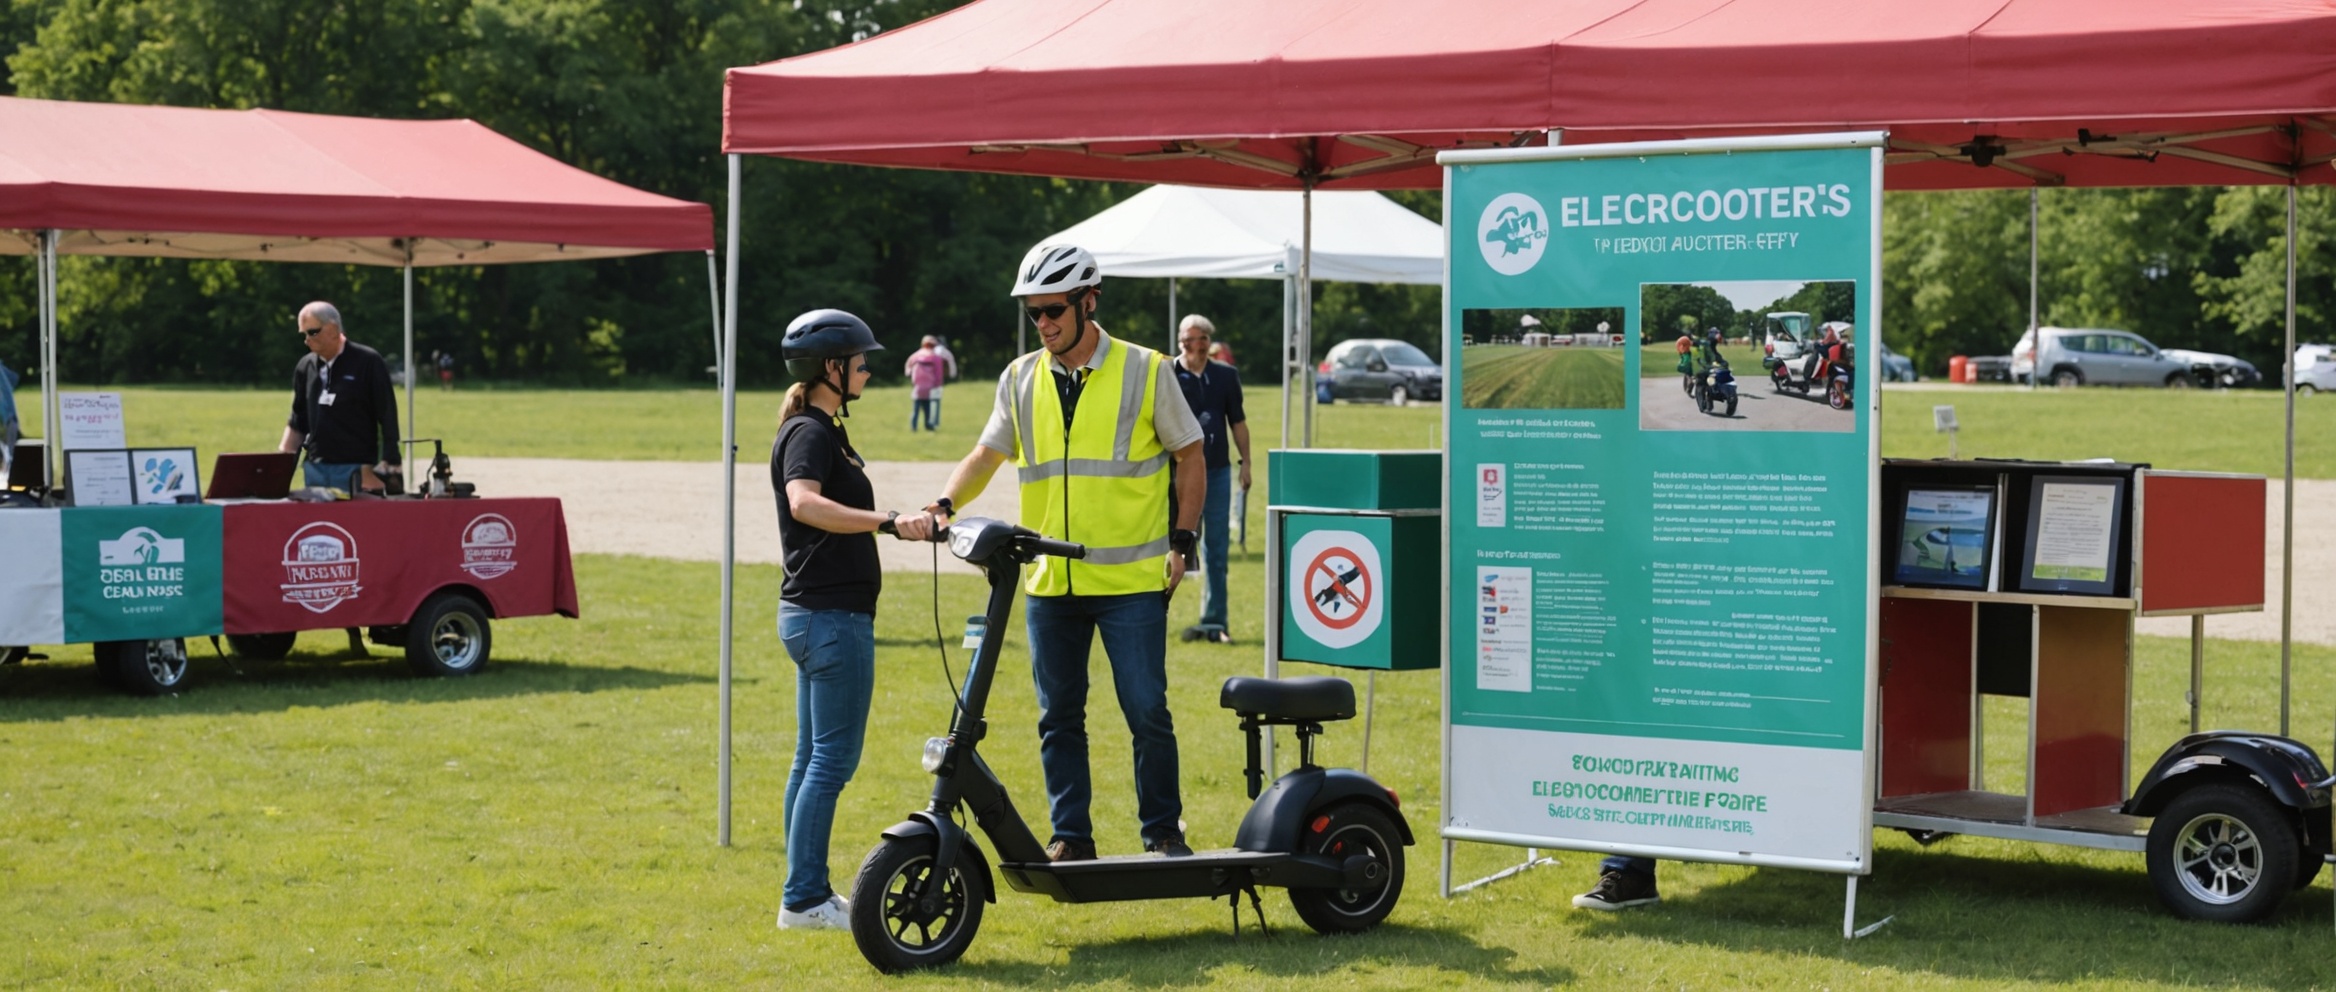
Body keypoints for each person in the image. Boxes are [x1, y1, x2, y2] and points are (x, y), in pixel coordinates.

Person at [929, 242, 1206, 862]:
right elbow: (986, 455)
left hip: (1131, 582)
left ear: (1089, 301)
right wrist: (945, 504)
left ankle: (1164, 833)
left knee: (1146, 712)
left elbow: (1190, 453)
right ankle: (1071, 839)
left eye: (1053, 310)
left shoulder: (1147, 369)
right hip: (1051, 583)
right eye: (1034, 314)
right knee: (1058, 718)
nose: (1044, 323)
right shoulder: (1019, 376)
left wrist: (1182, 540)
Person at [772, 308, 938, 931]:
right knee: (829, 763)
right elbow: (804, 503)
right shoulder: (810, 433)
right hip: (831, 618)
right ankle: (805, 900)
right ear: (832, 368)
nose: (869, 367)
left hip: (813, 616)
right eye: (861, 360)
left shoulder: (819, 426)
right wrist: (887, 522)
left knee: (809, 758)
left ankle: (802, 890)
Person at [1169, 314, 1251, 645]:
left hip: (1217, 472)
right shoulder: (1166, 374)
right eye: (1190, 339)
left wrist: (1246, 463)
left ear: (1210, 342)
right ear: (1179, 342)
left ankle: (1215, 621)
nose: (1196, 345)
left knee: (1216, 548)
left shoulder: (1226, 377)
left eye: (1202, 338)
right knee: (1168, 545)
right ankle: (1149, 614)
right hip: (1173, 474)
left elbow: (1239, 423)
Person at [280, 301, 400, 493]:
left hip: (359, 469)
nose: (307, 340)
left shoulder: (368, 361)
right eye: (304, 334)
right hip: (316, 469)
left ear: (333, 329)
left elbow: (387, 415)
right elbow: (297, 420)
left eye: (312, 332)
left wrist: (390, 460)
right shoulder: (305, 366)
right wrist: (280, 464)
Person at [904, 335, 950, 431]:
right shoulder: (936, 358)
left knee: (915, 409)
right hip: (929, 387)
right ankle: (928, 426)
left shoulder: (916, 355)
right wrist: (938, 384)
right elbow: (938, 373)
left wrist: (911, 378)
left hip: (917, 387)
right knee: (928, 409)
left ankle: (914, 427)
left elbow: (908, 368)